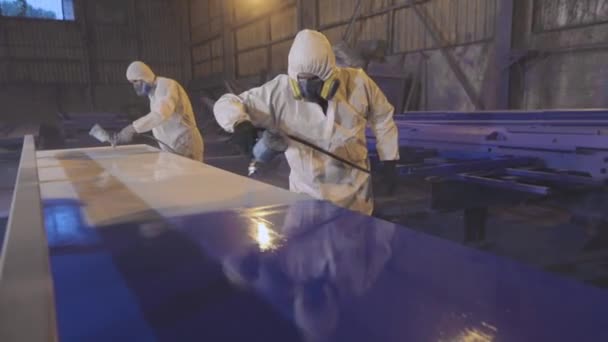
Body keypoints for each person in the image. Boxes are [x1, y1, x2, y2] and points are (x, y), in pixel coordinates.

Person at [214, 29, 399, 215]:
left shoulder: (359, 82)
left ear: (331, 73)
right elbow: (227, 102)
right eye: (302, 81)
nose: (308, 89)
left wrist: (389, 158)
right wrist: (239, 123)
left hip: (355, 200)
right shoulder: (279, 92)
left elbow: (382, 116)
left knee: (357, 243)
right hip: (307, 199)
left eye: (316, 81)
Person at [114, 61, 204, 162]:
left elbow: (161, 114)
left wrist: (133, 128)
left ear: (144, 77)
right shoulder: (153, 94)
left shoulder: (166, 85)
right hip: (173, 145)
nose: (135, 86)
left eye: (135, 81)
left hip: (185, 143)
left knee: (188, 177)